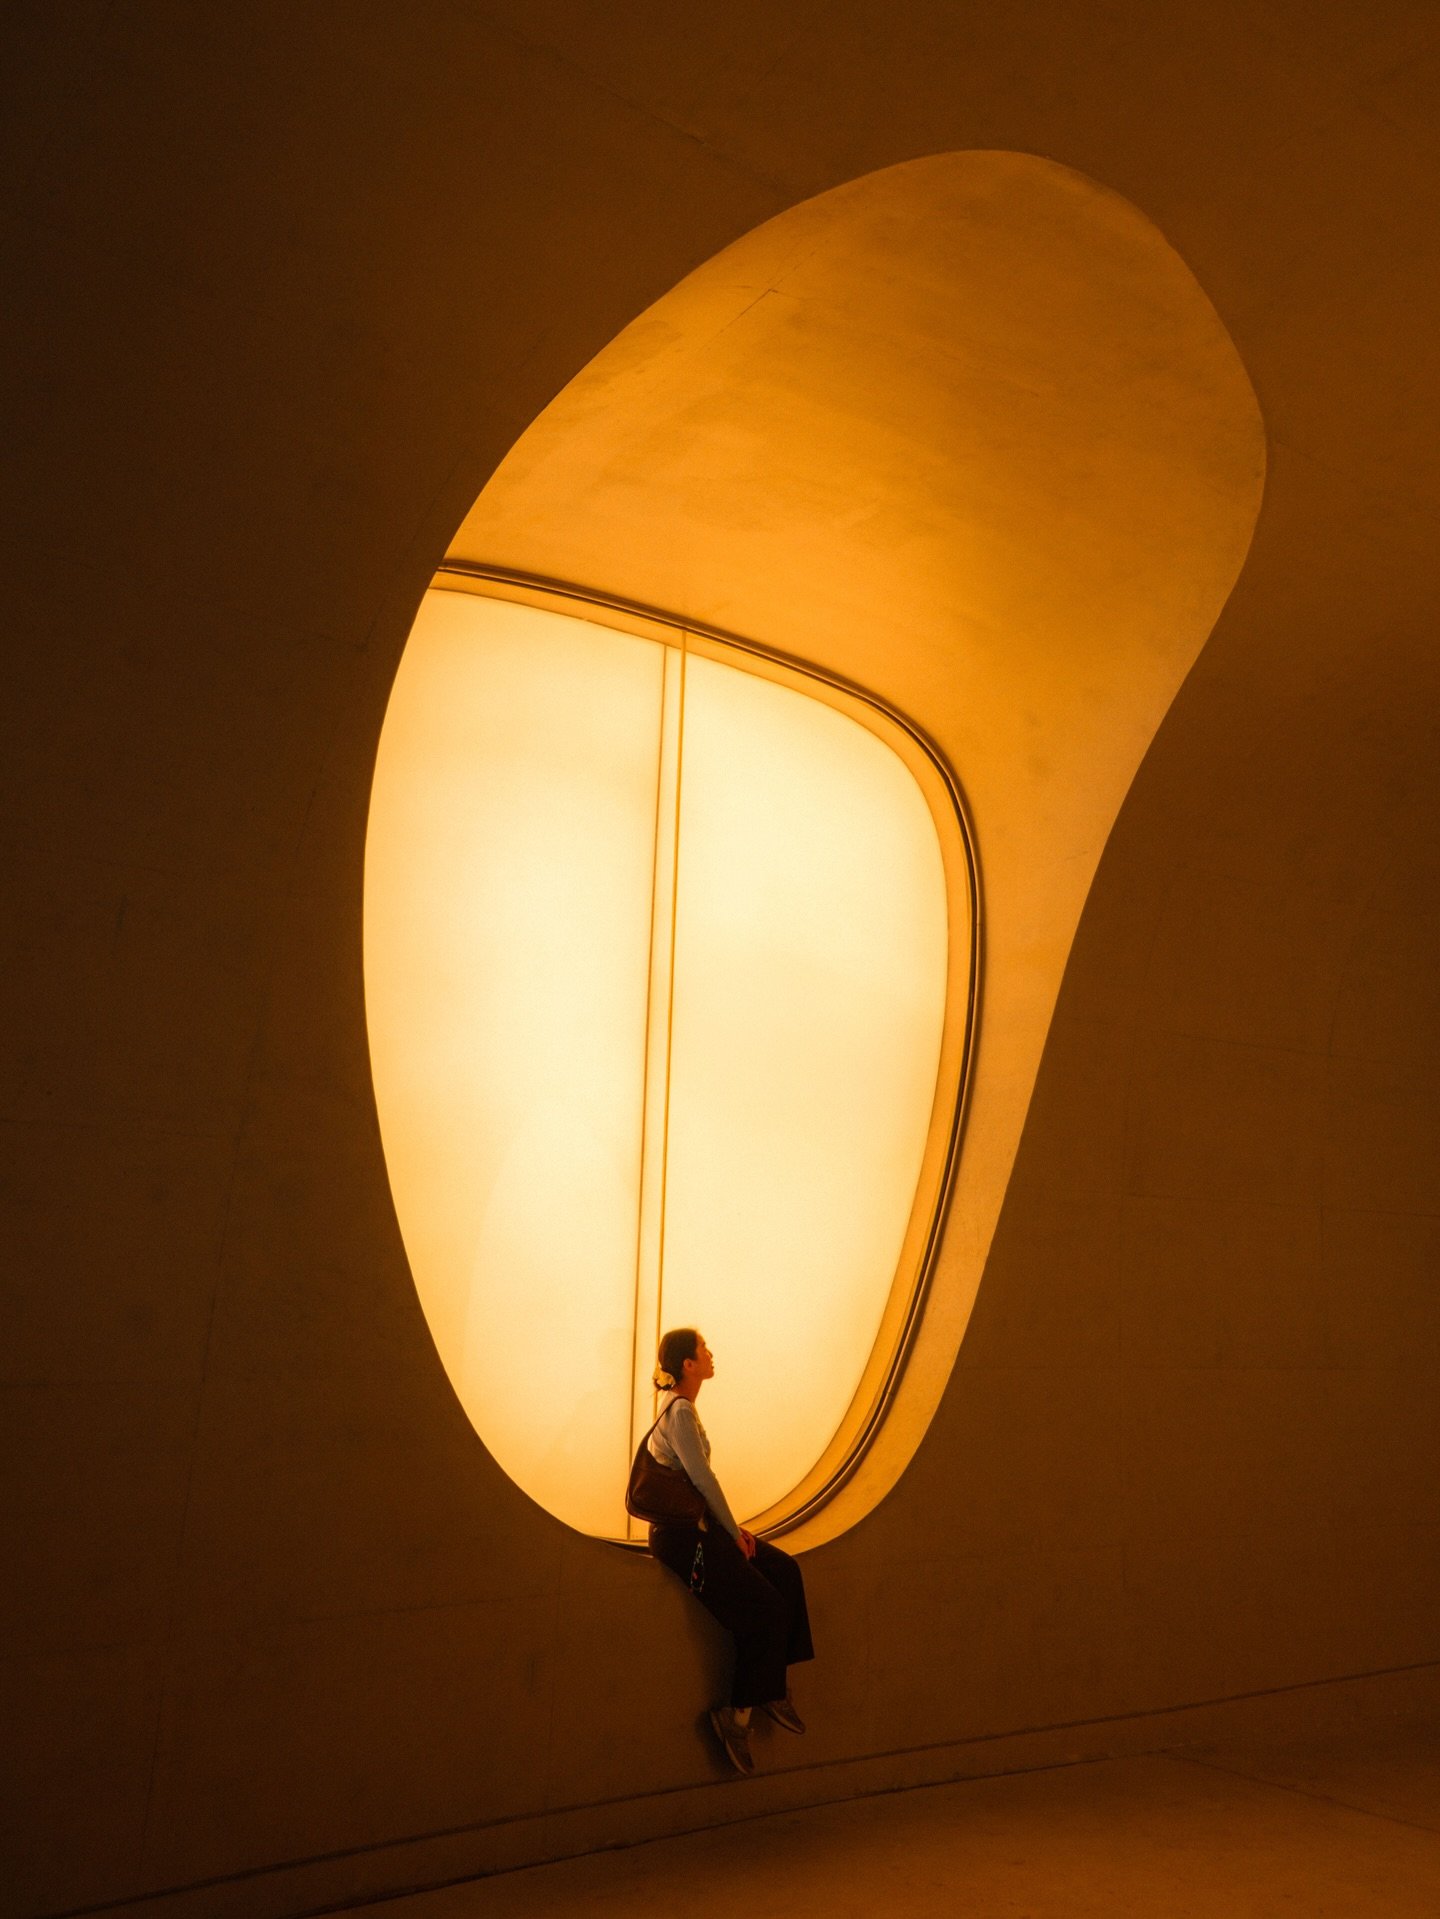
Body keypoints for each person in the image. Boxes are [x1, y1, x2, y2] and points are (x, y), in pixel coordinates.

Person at [646, 1326, 814, 1776]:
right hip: (684, 1539)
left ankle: (771, 1686)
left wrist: (731, 1529)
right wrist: (733, 1533)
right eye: (703, 1349)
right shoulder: (680, 1412)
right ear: (688, 1364)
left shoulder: (681, 1408)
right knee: (765, 1609)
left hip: (700, 1529)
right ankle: (735, 1719)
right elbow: (703, 1479)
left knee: (785, 1571)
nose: (711, 1354)